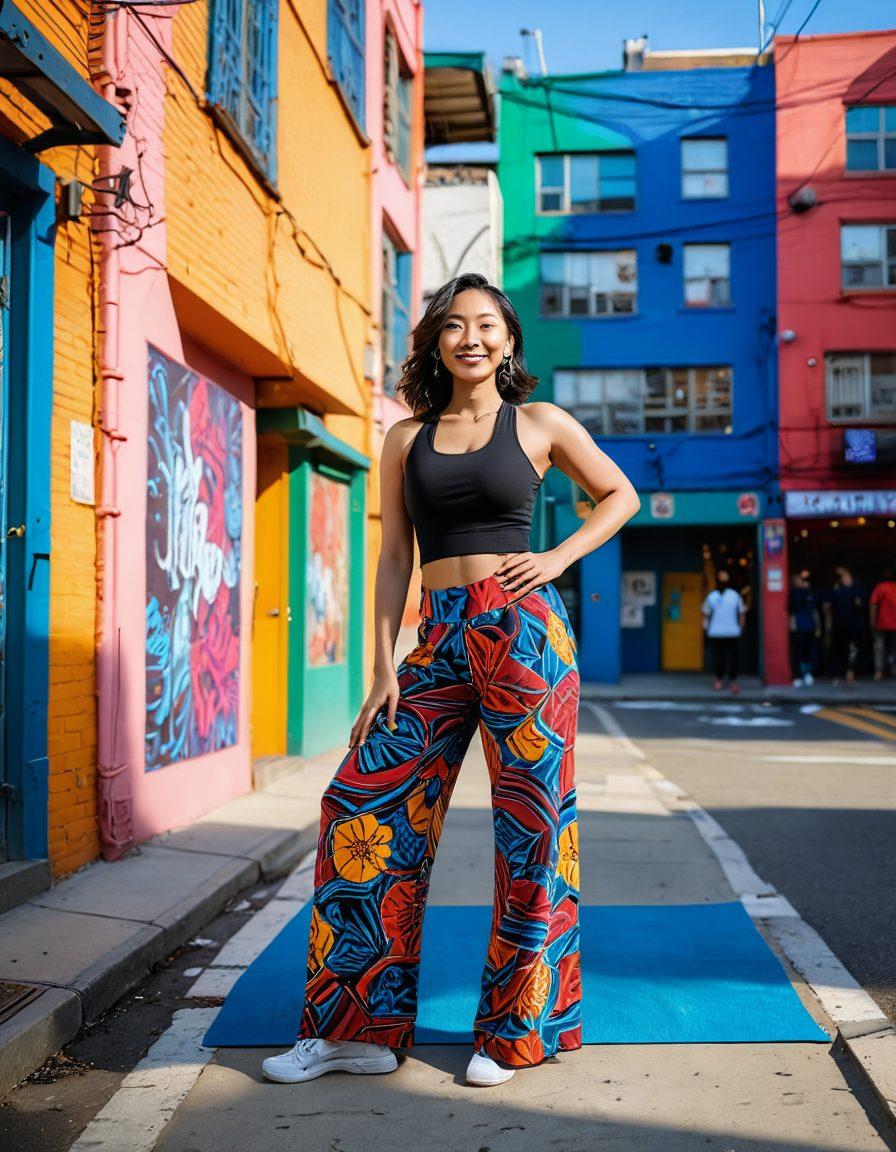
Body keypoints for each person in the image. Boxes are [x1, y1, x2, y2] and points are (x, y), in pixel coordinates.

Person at [261, 273, 640, 1088]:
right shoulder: (406, 437)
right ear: (435, 340)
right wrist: (379, 667)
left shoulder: (539, 422)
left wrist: (559, 558)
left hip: (524, 633)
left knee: (532, 831)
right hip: (434, 637)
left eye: (487, 326)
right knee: (359, 805)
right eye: (455, 326)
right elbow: (395, 553)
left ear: (508, 341)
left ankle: (513, 1032)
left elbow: (619, 493)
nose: (472, 337)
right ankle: (354, 1031)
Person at [701, 570, 746, 694]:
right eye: (721, 578)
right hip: (716, 632)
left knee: (733, 657)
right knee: (718, 657)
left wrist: (741, 627)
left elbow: (742, 612)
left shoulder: (734, 595)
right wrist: (705, 627)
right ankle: (719, 679)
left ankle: (733, 680)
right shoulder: (712, 596)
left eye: (725, 578)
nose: (723, 581)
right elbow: (705, 612)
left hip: (732, 632)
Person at [823, 565, 865, 687]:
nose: (847, 579)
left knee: (852, 650)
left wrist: (859, 604)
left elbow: (861, 606)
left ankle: (850, 673)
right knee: (838, 649)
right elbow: (827, 604)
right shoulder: (836, 590)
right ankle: (837, 674)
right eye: (844, 577)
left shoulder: (856, 590)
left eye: (848, 577)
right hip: (839, 625)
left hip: (853, 625)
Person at [788, 569, 820, 687]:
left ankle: (807, 673)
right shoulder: (794, 593)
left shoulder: (809, 592)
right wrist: (792, 623)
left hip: (809, 625)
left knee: (808, 651)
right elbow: (791, 610)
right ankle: (797, 675)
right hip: (799, 625)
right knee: (798, 651)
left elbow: (814, 607)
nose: (799, 582)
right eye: (796, 580)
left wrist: (817, 626)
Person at [870, 567, 896, 681]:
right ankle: (885, 670)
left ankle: (879, 671)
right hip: (884, 622)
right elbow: (874, 604)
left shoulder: (880, 587)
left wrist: (872, 621)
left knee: (879, 647)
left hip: (882, 622)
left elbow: (873, 604)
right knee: (884, 647)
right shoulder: (882, 587)